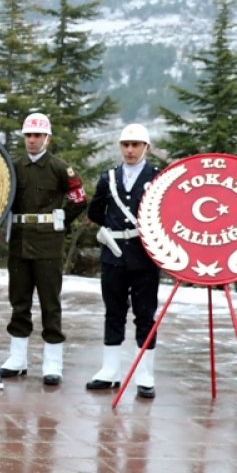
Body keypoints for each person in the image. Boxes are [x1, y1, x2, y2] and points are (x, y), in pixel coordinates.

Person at [0, 112, 87, 386]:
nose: (32, 140)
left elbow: (78, 199)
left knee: (50, 301)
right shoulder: (14, 167)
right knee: (19, 299)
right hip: (21, 239)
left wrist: (60, 221)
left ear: (47, 138)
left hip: (48, 241)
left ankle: (52, 362)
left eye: (37, 135)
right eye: (28, 135)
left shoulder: (60, 168)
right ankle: (18, 358)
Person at [85, 124, 160, 396]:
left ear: (146, 147)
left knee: (145, 315)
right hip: (114, 255)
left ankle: (145, 374)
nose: (130, 150)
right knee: (113, 312)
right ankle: (110, 370)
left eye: (136, 145)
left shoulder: (157, 177)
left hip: (145, 256)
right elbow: (95, 210)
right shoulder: (109, 178)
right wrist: (112, 228)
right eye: (126, 144)